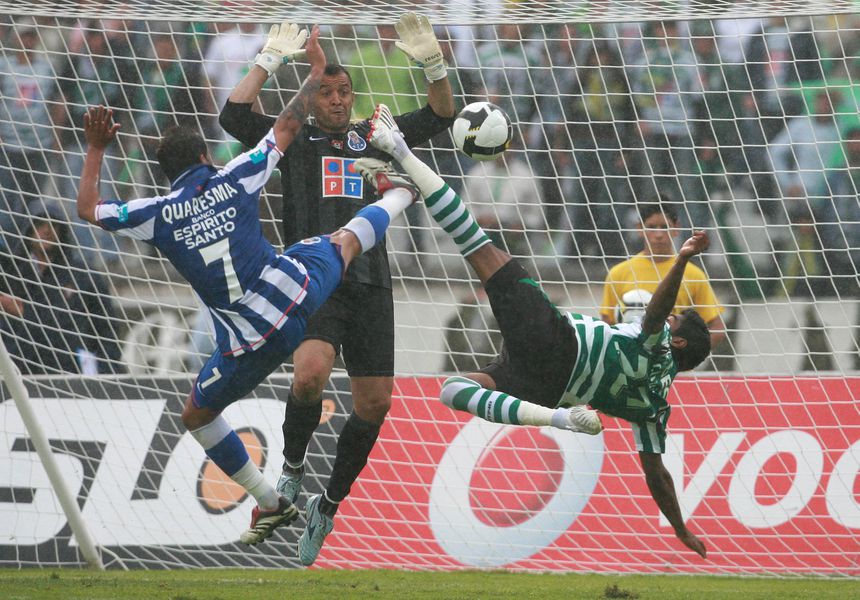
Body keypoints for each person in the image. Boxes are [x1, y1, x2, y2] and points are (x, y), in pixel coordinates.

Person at [75, 26, 419, 549]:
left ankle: (272, 499)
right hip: (295, 291)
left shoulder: (155, 214)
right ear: (207, 160)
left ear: (164, 176)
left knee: (197, 414)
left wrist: (96, 147)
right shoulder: (236, 175)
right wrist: (301, 66)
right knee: (345, 242)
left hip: (248, 342)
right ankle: (401, 197)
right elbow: (285, 124)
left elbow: (86, 210)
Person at [363, 104, 710, 558]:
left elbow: (652, 315)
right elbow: (657, 475)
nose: (670, 319)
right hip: (542, 387)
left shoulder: (659, 345)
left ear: (678, 341)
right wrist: (681, 528)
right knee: (453, 390)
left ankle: (401, 154)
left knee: (478, 246)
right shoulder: (656, 408)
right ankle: (559, 419)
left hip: (557, 341)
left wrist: (681, 260)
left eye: (676, 322)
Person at [218, 14, 455, 565]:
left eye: (344, 91)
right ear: (310, 95)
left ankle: (328, 505)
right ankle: (294, 467)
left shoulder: (374, 134)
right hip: (314, 279)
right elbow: (234, 115)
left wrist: (433, 64)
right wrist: (268, 61)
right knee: (309, 375)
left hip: (371, 284)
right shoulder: (293, 138)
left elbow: (443, 115)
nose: (337, 99)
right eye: (327, 90)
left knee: (375, 404)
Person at [0, 205, 124, 375]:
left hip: (71, 375)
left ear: (62, 232)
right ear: (28, 229)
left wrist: (105, 371)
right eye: (39, 224)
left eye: (53, 225)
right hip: (20, 374)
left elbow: (106, 327)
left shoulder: (83, 275)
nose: (46, 230)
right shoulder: (10, 274)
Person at [600, 202, 727, 350]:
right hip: (631, 367)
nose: (659, 234)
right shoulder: (618, 273)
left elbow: (717, 328)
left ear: (676, 228)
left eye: (665, 227)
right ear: (639, 229)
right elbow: (607, 323)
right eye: (651, 227)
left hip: (673, 369)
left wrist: (686, 357)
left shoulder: (694, 274)